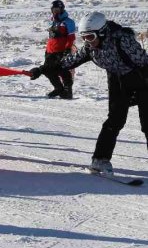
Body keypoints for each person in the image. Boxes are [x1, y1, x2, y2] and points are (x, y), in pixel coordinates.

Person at [29, 11, 148, 176]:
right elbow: (66, 62)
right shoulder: (90, 49)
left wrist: (137, 91)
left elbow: (144, 62)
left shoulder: (122, 40)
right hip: (117, 81)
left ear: (102, 32)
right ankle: (100, 160)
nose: (87, 42)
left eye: (90, 37)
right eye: (83, 37)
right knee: (114, 121)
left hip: (142, 80)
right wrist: (41, 69)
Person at [40, 0, 76, 99]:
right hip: (50, 51)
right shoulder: (53, 21)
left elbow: (71, 37)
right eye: (53, 9)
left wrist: (67, 50)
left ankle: (68, 91)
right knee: (47, 70)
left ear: (62, 9)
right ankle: (59, 88)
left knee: (63, 71)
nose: (55, 11)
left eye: (57, 9)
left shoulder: (68, 22)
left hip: (61, 51)